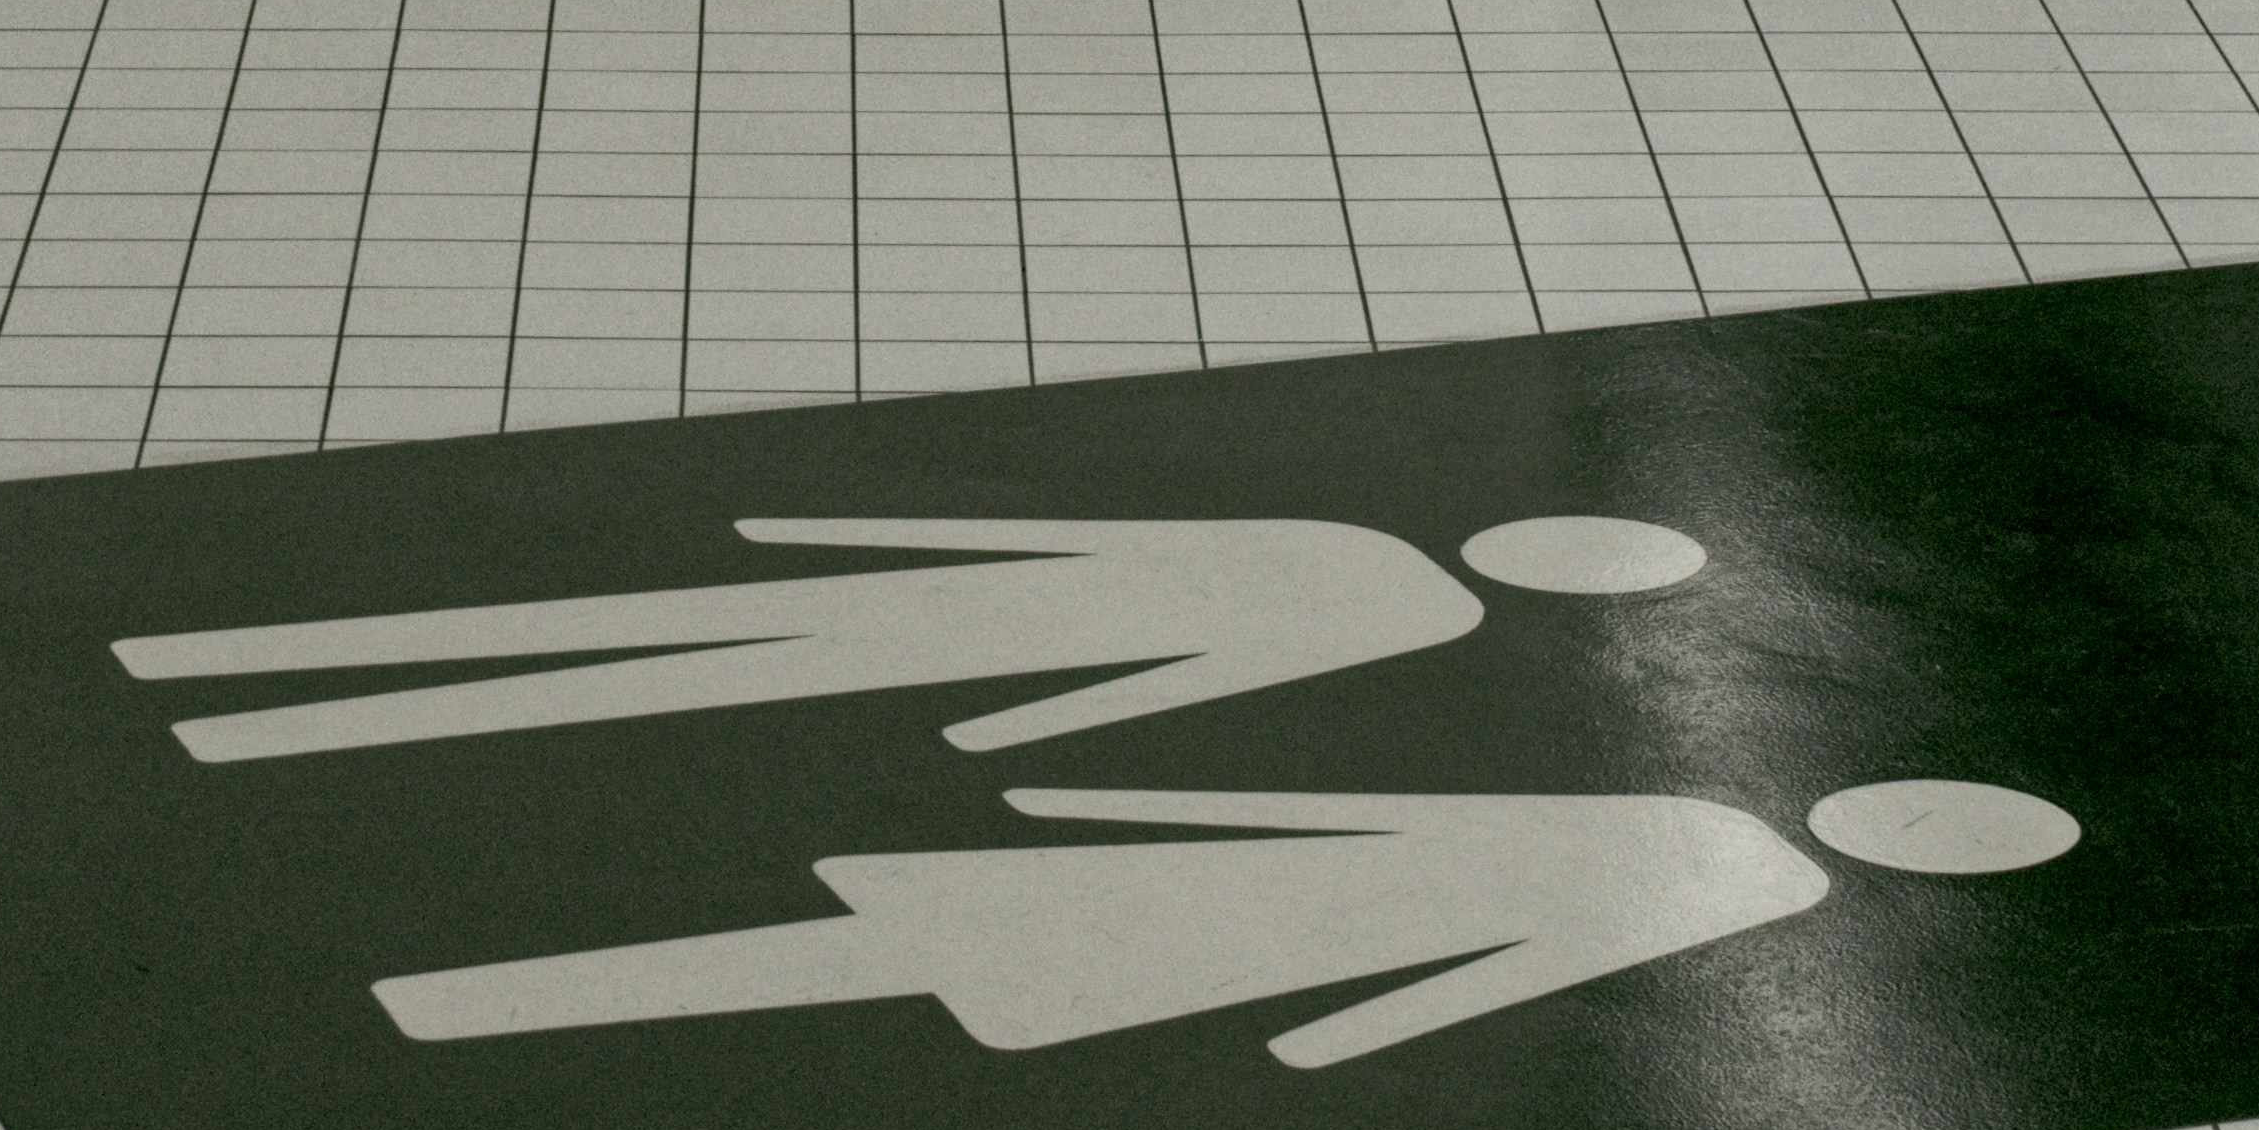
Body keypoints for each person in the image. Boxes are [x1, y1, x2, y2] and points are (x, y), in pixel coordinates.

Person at [368, 775, 2080, 1072]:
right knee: (816, 973)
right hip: (1232, 943)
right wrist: (1327, 1030)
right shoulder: (1724, 850)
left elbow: (1383, 837)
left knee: (808, 958)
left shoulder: (1709, 835)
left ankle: (461, 999)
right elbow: (1514, 949)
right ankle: (469, 1005)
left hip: (1196, 908)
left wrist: (1088, 812)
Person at [112, 507, 1715, 762]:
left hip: (903, 612)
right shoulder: (1390, 597)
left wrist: (810, 534)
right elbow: (1189, 665)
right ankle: (269, 725)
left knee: (580, 629)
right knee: (584, 676)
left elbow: (1060, 544)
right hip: (941, 648)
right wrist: (1005, 730)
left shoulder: (1357, 554)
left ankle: (211, 674)